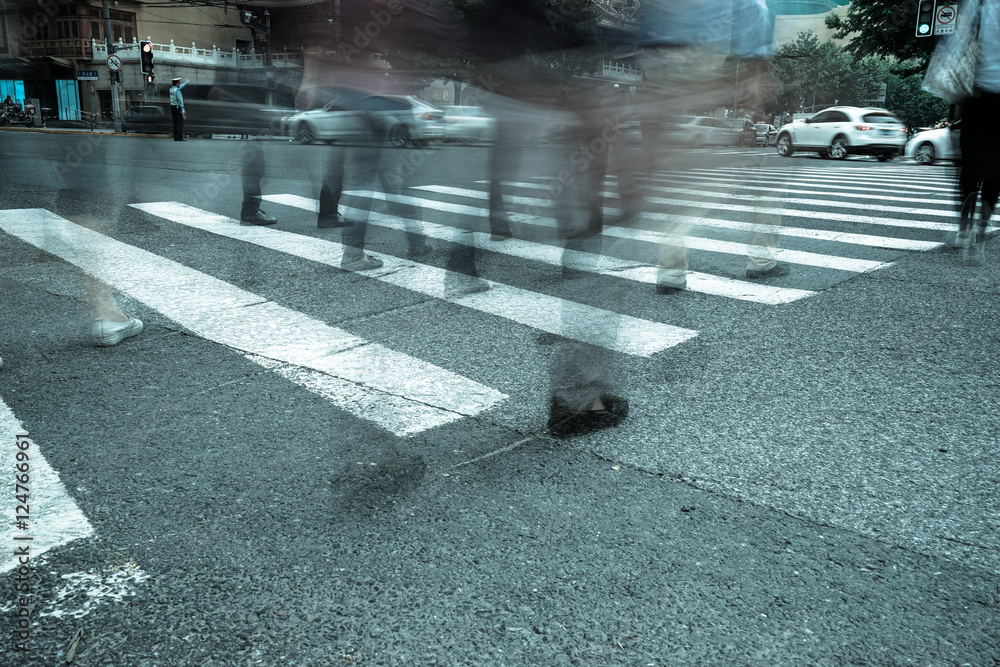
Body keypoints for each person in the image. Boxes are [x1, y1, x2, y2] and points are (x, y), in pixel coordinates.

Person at [956, 0, 1000, 260]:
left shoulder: (979, 2)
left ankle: (963, 231)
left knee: (970, 164)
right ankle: (980, 237)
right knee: (996, 168)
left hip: (977, 94)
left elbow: (959, 42)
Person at [169, 77, 187, 141]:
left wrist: (185, 83)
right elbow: (180, 101)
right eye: (179, 83)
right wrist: (183, 111)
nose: (180, 84)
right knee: (180, 123)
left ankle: (176, 137)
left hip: (172, 107)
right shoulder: (177, 91)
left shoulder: (171, 89)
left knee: (175, 123)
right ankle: (179, 137)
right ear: (177, 83)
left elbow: (179, 87)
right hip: (177, 108)